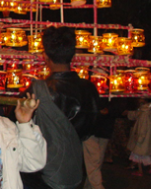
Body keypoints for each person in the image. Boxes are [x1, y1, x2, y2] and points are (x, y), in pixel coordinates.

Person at [22, 26, 100, 189]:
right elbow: (90, 128)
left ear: (45, 56)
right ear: (74, 54)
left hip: (41, 172)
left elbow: (22, 127)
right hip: (73, 169)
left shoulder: (38, 91)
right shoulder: (89, 89)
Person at [125, 98, 151, 176]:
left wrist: (140, 137)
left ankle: (140, 170)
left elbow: (143, 126)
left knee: (138, 153)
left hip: (141, 136)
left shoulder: (144, 112)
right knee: (142, 153)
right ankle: (150, 165)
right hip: (143, 136)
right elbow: (136, 114)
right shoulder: (145, 110)